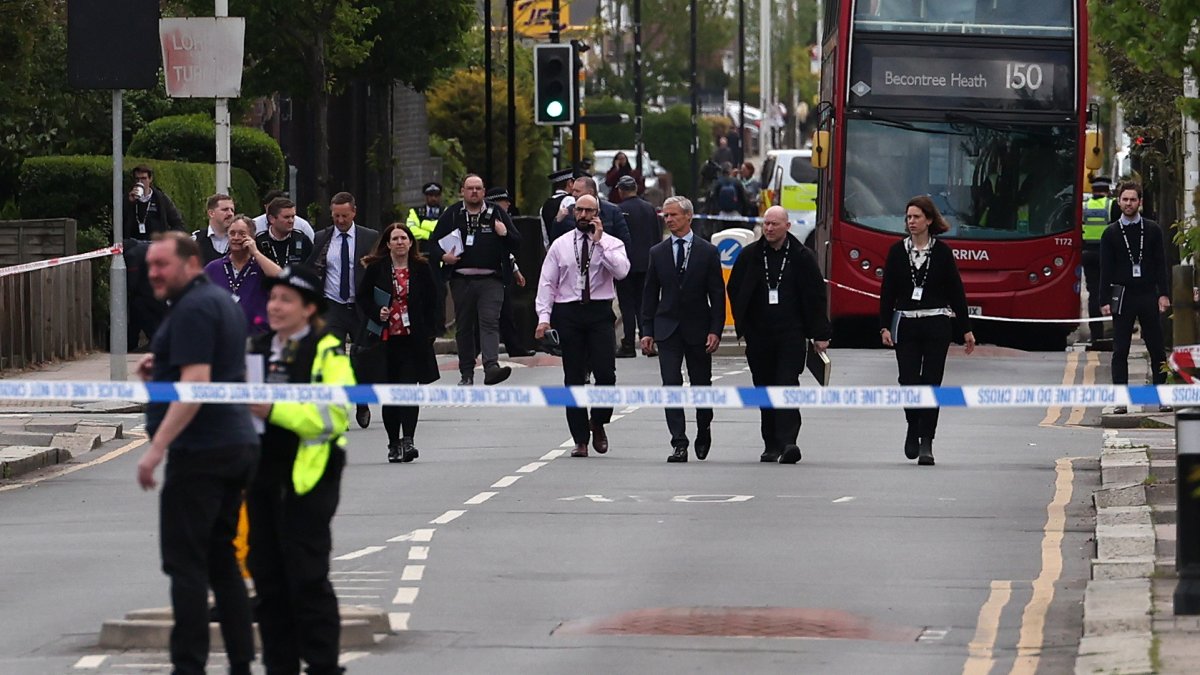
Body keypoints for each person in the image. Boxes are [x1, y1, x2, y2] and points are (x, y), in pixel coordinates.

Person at [134, 232, 259, 675]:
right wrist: (158, 371)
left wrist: (156, 451)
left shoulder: (192, 308)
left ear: (189, 263)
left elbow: (196, 385)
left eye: (161, 264)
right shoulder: (219, 302)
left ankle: (188, 666)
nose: (153, 273)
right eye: (150, 265)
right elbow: (222, 370)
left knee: (185, 564)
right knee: (221, 559)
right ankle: (242, 661)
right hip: (235, 446)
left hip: (202, 451)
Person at [245, 264, 354, 675]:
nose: (275, 305)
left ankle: (324, 665)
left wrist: (275, 409)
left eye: (285, 299)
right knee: (268, 582)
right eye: (272, 297)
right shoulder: (255, 349)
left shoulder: (327, 352)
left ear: (308, 308)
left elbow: (332, 417)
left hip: (309, 478)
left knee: (307, 577)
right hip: (261, 477)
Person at [727, 206, 831, 465]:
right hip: (759, 334)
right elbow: (735, 287)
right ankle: (770, 443)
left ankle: (788, 442)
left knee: (786, 385)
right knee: (764, 388)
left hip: (791, 334)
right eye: (766, 224)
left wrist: (820, 333)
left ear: (788, 226)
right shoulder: (750, 255)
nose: (769, 228)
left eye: (775, 224)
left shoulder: (802, 256)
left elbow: (816, 296)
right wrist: (743, 322)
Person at [879, 195, 977, 466]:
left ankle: (926, 442)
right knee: (908, 381)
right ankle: (913, 423)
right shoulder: (897, 252)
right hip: (907, 324)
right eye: (908, 217)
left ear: (929, 220)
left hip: (936, 324)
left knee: (931, 384)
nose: (911, 222)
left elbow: (957, 292)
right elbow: (887, 292)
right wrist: (884, 326)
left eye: (917, 217)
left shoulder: (943, 253)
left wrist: (966, 329)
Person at [535, 194, 631, 457]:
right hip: (569, 313)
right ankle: (580, 439)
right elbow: (547, 283)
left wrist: (599, 244)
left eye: (589, 211)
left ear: (598, 214)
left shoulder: (611, 243)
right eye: (579, 210)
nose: (584, 215)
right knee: (574, 377)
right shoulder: (560, 245)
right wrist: (543, 318)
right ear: (573, 211)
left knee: (606, 374)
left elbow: (622, 272)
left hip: (599, 311)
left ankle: (598, 422)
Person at [640, 196, 725, 462]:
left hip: (698, 327)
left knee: (701, 384)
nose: (669, 220)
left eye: (673, 215)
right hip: (667, 328)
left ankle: (704, 427)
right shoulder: (658, 252)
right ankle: (679, 442)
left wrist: (716, 330)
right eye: (665, 216)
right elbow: (650, 294)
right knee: (671, 384)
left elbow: (717, 295)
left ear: (688, 217)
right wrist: (647, 330)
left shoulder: (707, 252)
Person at [358, 223, 440, 462]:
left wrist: (429, 331)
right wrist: (377, 312)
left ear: (411, 242)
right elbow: (363, 297)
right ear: (387, 244)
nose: (400, 242)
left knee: (408, 390)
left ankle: (409, 440)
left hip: (412, 340)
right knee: (391, 393)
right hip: (385, 340)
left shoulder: (422, 268)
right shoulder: (377, 268)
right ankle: (393, 443)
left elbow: (433, 300)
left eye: (404, 238)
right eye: (395, 239)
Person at [430, 174, 521, 386]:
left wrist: (504, 232)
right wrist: (445, 257)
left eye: (478, 188)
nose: (474, 192)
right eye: (470, 188)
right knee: (464, 326)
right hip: (462, 279)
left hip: (492, 279)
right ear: (462, 190)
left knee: (489, 322)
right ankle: (466, 373)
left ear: (483, 190)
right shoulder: (452, 214)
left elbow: (516, 242)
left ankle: (491, 367)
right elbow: (433, 244)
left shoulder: (496, 212)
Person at [307, 191, 380, 428]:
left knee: (361, 358)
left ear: (354, 213)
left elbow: (378, 270)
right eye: (336, 216)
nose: (340, 221)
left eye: (345, 216)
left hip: (360, 305)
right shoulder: (322, 238)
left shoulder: (370, 237)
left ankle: (361, 402)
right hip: (332, 306)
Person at [1100, 181, 1171, 414]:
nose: (1128, 203)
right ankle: (1121, 399)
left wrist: (1164, 294)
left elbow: (1161, 264)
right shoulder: (1110, 233)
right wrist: (1104, 300)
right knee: (1120, 350)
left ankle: (1162, 397)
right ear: (1118, 201)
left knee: (1157, 348)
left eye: (1133, 199)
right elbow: (1105, 270)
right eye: (1125, 199)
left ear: (1140, 202)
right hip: (1123, 295)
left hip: (1148, 294)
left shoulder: (1152, 230)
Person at [205, 215, 283, 335]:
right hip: (221, 337)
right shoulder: (214, 268)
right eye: (232, 233)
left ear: (252, 237)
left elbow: (282, 278)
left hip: (257, 337)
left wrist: (256, 253)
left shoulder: (261, 266)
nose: (236, 237)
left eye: (242, 234)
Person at [615, 175, 663, 358]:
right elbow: (657, 236)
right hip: (647, 264)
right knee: (645, 304)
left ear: (620, 190)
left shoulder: (619, 210)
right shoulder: (649, 209)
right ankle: (648, 340)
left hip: (625, 264)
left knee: (627, 305)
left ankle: (628, 343)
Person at [485, 187, 533, 357]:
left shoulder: (504, 221)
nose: (508, 204)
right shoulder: (487, 221)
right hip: (488, 274)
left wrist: (515, 271)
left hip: (502, 273)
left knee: (506, 312)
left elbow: (509, 250)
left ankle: (514, 347)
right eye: (504, 201)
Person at [550, 175, 631, 245]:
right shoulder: (569, 211)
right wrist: (557, 222)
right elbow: (557, 242)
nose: (573, 194)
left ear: (590, 192)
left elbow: (624, 241)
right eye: (573, 190)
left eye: (577, 191)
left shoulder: (612, 211)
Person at [1081, 176, 1114, 342]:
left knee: (1094, 293)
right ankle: (1111, 329)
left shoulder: (1084, 206)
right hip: (1107, 254)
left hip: (1088, 254)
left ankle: (1096, 334)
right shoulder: (1111, 205)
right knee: (1111, 290)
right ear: (1107, 191)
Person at [125, 164, 185, 240]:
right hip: (135, 243)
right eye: (137, 179)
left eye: (144, 178)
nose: (140, 182)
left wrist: (168, 239)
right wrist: (129, 202)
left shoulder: (160, 199)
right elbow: (121, 222)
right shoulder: (129, 198)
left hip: (156, 243)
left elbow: (177, 222)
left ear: (150, 179)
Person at [255, 197, 314, 268]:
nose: (291, 221)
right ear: (272, 219)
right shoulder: (259, 242)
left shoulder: (302, 240)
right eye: (286, 217)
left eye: (293, 217)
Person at [192, 193, 237, 265]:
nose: (230, 214)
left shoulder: (241, 240)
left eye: (232, 210)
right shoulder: (196, 240)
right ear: (211, 213)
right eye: (225, 210)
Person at [540, 168, 575, 250]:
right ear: (570, 183)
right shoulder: (570, 201)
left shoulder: (545, 205)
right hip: (568, 249)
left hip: (553, 249)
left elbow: (545, 234)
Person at [406, 182, 444, 253]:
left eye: (436, 196)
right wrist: (429, 235)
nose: (433, 198)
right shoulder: (415, 211)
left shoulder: (446, 211)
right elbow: (411, 230)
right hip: (421, 251)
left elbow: (446, 229)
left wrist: (423, 224)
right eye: (430, 195)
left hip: (441, 251)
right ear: (425, 196)